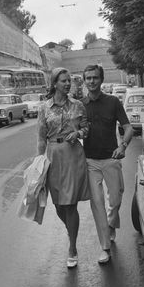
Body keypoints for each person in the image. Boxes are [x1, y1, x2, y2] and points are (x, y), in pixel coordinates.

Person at [37, 67, 91, 268]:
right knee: (58, 205)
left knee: (70, 203)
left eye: (69, 81)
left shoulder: (78, 105)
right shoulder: (44, 108)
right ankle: (72, 229)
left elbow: (86, 129)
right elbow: (41, 138)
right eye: (63, 81)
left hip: (72, 155)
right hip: (52, 154)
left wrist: (77, 134)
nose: (68, 84)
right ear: (54, 84)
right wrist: (38, 163)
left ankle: (72, 247)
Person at [81, 65, 133, 264]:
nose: (91, 81)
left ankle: (111, 225)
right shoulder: (80, 105)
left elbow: (127, 128)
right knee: (97, 205)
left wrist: (124, 146)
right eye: (88, 78)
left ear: (101, 80)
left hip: (112, 158)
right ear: (84, 81)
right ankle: (105, 247)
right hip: (90, 161)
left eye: (95, 78)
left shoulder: (113, 102)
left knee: (116, 200)